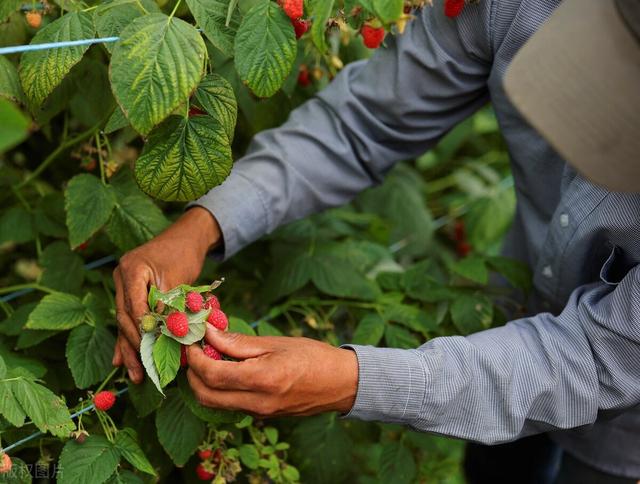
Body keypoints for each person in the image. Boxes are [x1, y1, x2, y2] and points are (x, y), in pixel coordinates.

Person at [112, 0, 640, 482]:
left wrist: (354, 380)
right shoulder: (520, 5)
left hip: (629, 435)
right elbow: (365, 120)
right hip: (516, 300)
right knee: (495, 469)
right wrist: (203, 224)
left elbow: (591, 357)